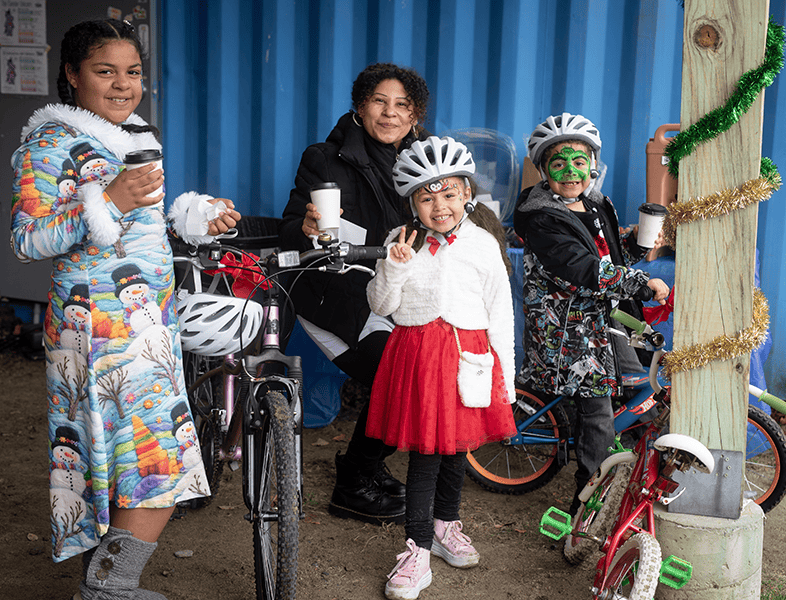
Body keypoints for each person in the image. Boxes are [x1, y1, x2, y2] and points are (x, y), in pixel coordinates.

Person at [10, 19, 240, 600]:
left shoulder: (136, 135)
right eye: (104, 71)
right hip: (97, 328)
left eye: (132, 72)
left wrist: (192, 213)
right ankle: (111, 585)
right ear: (72, 75)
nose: (122, 85)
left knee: (131, 456)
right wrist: (106, 200)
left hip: (145, 322)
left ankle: (108, 582)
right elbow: (27, 241)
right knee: (152, 457)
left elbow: (141, 226)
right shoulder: (49, 143)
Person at [279, 63, 431, 525]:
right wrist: (305, 228)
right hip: (337, 296)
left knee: (429, 369)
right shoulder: (325, 157)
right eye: (378, 102)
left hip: (398, 292)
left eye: (402, 105)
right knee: (403, 377)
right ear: (360, 107)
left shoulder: (425, 158)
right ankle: (353, 485)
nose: (390, 113)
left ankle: (363, 465)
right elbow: (289, 227)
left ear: (415, 114)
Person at [365, 136, 517, 600]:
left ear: (467, 194)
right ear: (413, 202)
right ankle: (417, 549)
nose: (440, 206)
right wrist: (394, 268)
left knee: (456, 452)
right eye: (427, 198)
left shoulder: (483, 244)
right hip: (419, 359)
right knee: (426, 456)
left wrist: (505, 377)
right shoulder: (401, 241)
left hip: (468, 358)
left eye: (449, 194)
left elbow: (500, 311)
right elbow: (381, 305)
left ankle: (446, 526)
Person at [514, 112, 669, 516]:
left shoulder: (597, 203)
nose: (570, 170)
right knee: (598, 412)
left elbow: (605, 254)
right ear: (544, 169)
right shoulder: (540, 217)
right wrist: (637, 282)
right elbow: (581, 267)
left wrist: (636, 244)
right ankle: (588, 498)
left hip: (604, 319)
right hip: (569, 329)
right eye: (559, 161)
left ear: (593, 165)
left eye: (579, 161)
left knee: (645, 384)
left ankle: (637, 473)